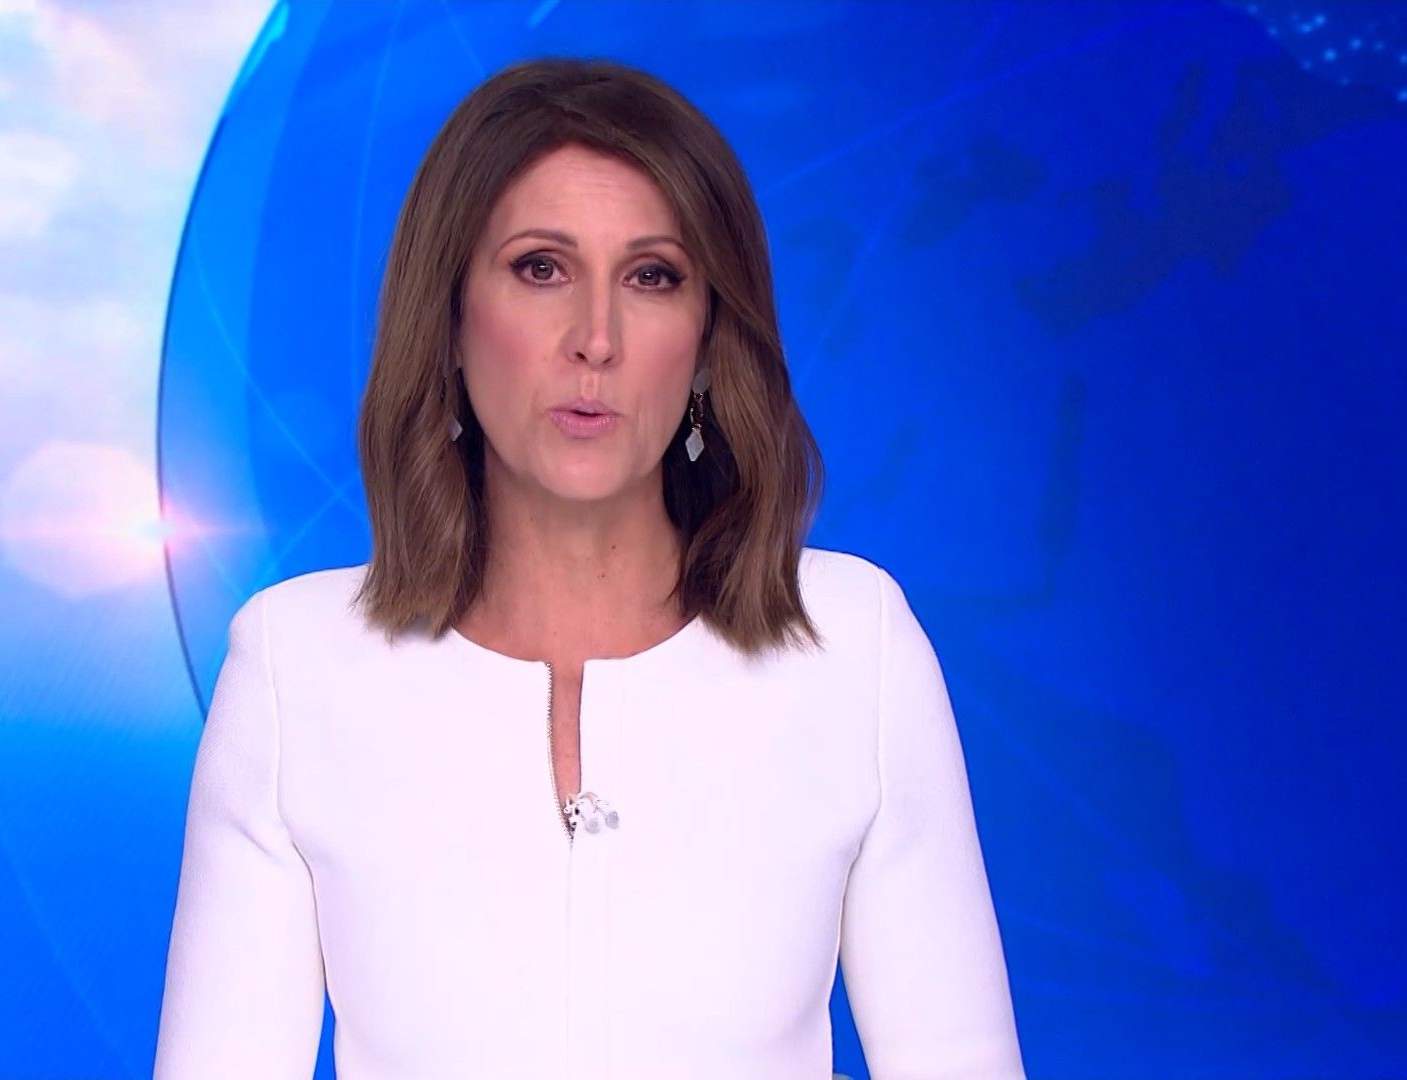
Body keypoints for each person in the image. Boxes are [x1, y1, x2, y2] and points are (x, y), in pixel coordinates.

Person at [153, 57, 1025, 1080]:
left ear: (707, 339)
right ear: (450, 319)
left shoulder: (854, 647)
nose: (596, 340)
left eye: (652, 277)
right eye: (541, 268)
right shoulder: (296, 666)